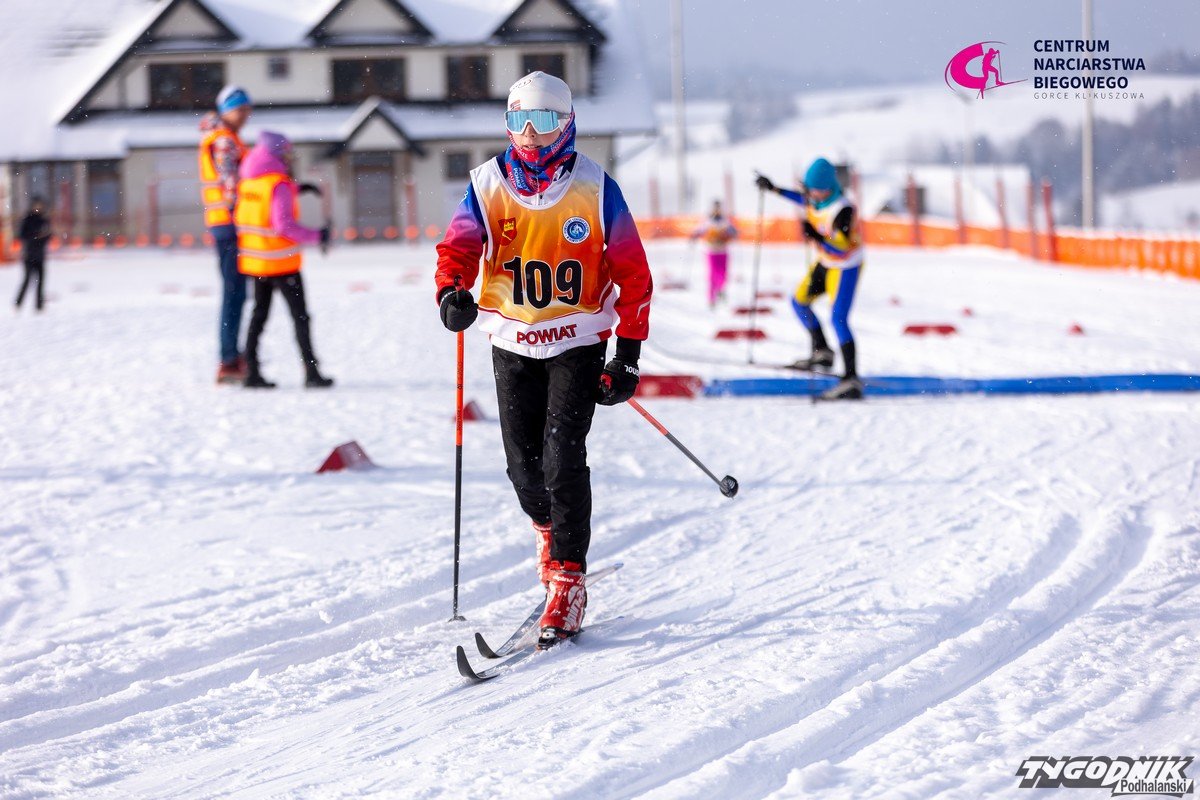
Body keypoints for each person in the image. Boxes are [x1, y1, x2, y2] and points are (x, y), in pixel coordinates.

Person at [434, 71, 653, 645]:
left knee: (562, 458)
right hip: (512, 341)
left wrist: (626, 356)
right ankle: (549, 534)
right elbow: (458, 249)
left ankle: (568, 580)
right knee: (524, 469)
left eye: (543, 120)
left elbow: (633, 275)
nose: (529, 133)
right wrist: (451, 293)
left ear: (568, 123)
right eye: (518, 120)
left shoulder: (595, 187)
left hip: (577, 342)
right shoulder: (487, 184)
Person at [756, 158, 864, 400]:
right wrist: (773, 188)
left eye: (814, 190)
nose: (810, 195)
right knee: (799, 302)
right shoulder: (815, 198)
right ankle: (822, 352)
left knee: (838, 319)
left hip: (846, 266)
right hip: (825, 262)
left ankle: (851, 380)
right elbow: (800, 199)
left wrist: (816, 237)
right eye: (809, 189)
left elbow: (842, 250)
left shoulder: (843, 210)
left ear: (827, 188)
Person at [234, 131, 333, 389]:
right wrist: (318, 235)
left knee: (258, 316)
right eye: (287, 153)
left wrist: (298, 189)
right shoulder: (278, 184)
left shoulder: (249, 183)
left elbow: (263, 209)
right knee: (300, 317)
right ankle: (311, 372)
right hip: (282, 263)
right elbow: (283, 226)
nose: (290, 158)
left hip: (257, 263)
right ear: (277, 154)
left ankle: (251, 371)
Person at [199, 85, 252, 384]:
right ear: (226, 110)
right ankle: (229, 359)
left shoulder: (222, 137)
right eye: (240, 109)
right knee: (234, 293)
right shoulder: (224, 141)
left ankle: (231, 355)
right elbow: (231, 185)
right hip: (230, 224)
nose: (245, 115)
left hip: (223, 223)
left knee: (235, 292)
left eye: (247, 110)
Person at [690, 200, 738, 307]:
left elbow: (733, 231)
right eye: (715, 208)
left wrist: (734, 233)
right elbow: (699, 230)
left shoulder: (725, 221)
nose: (717, 210)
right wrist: (694, 236)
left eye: (719, 208)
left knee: (723, 273)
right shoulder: (708, 221)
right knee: (712, 274)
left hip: (723, 250)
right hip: (711, 250)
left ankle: (720, 289)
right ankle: (711, 298)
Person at [14, 197, 51, 312]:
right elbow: (22, 235)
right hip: (28, 255)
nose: (38, 208)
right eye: (36, 205)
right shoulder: (28, 219)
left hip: (40, 255)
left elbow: (48, 236)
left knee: (41, 281)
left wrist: (43, 237)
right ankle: (18, 303)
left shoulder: (44, 220)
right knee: (27, 280)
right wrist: (35, 236)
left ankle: (39, 306)